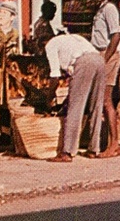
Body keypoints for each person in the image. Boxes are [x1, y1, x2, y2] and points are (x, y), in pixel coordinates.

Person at [45, 32, 107, 163]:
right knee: (96, 105)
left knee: (75, 108)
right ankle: (94, 148)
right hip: (99, 60)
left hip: (84, 62)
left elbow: (55, 76)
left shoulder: (50, 45)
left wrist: (49, 96)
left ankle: (67, 151)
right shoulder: (73, 38)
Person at [86, 0, 120, 158]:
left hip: (107, 54)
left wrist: (105, 58)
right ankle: (102, 142)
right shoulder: (98, 11)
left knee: (106, 100)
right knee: (99, 99)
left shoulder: (109, 9)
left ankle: (114, 143)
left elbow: (116, 36)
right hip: (98, 53)